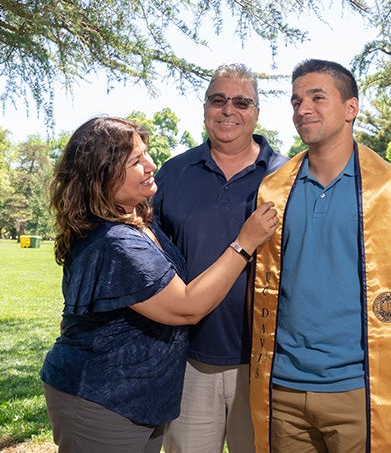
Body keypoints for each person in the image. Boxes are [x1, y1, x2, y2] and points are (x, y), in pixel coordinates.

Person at [39, 116, 279, 452]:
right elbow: (186, 307)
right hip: (102, 399)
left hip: (139, 401)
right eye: (136, 161)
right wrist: (244, 243)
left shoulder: (136, 220)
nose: (152, 165)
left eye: (146, 154)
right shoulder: (115, 241)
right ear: (102, 175)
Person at [249, 59, 391, 452]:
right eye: (296, 101)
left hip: (361, 392)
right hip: (284, 390)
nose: (302, 109)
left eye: (317, 97)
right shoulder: (273, 190)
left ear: (351, 108)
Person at [152, 63, 288, 453]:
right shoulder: (173, 174)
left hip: (266, 360)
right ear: (205, 108)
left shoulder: (286, 176)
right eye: (218, 100)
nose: (229, 110)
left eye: (241, 102)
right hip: (187, 358)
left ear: (257, 113)